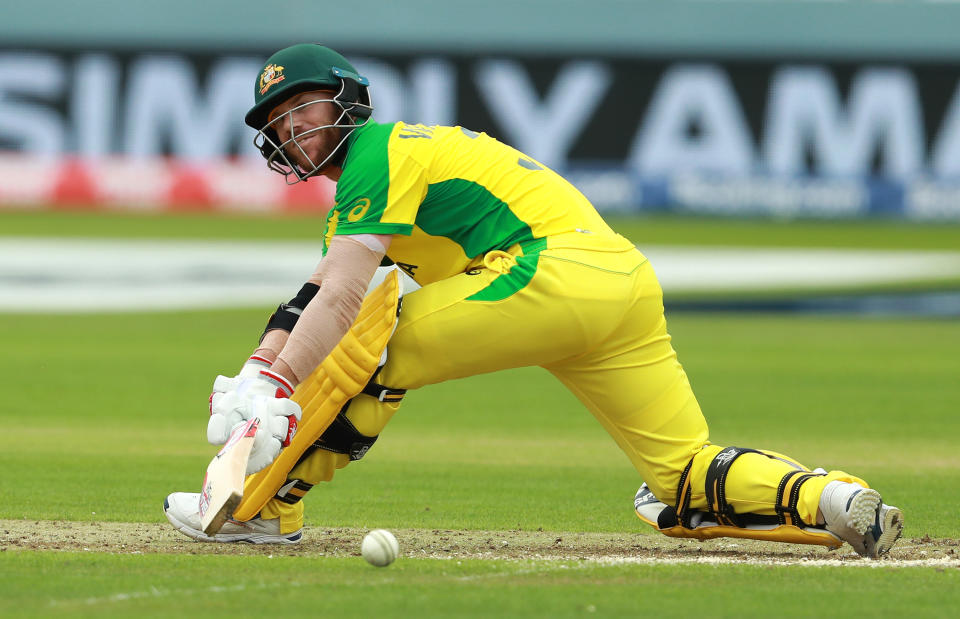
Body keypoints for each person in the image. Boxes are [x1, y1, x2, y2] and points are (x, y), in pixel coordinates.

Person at [163, 44, 903, 557]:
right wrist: (259, 369)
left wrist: (281, 386)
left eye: (304, 107)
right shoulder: (363, 192)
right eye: (279, 125)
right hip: (619, 282)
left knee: (372, 349)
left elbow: (350, 294)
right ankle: (831, 499)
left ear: (347, 100)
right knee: (679, 478)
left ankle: (267, 509)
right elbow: (318, 292)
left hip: (548, 270)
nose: (294, 130)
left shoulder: (380, 152)